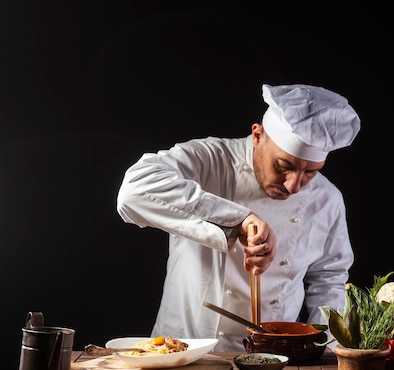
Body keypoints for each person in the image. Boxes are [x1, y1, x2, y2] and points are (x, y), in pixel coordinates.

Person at [116, 83, 361, 351]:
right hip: (183, 351)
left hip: (274, 359)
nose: (294, 185)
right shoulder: (209, 160)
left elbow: (329, 280)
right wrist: (239, 219)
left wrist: (326, 351)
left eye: (311, 172)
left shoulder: (327, 199)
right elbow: (134, 191)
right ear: (258, 136)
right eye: (283, 166)